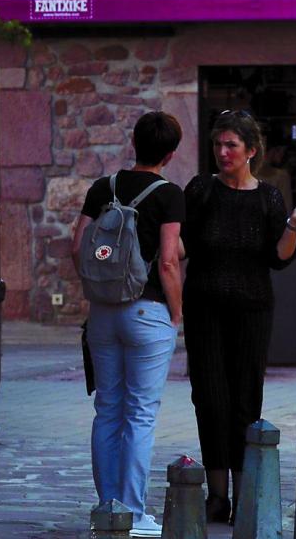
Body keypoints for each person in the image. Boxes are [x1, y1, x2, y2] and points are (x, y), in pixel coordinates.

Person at [182, 110, 296, 522]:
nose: (222, 152)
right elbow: (182, 245)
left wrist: (293, 224)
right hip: (205, 309)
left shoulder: (268, 197)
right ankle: (217, 496)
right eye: (218, 144)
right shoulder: (201, 190)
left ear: (251, 151)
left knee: (245, 398)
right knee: (210, 398)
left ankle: (245, 491)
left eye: (231, 145)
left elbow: (279, 258)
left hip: (251, 310)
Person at [74, 111, 187, 538]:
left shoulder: (103, 188)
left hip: (103, 312)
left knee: (107, 410)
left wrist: (97, 289)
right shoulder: (169, 194)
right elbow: (169, 260)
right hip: (147, 311)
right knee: (140, 414)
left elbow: (77, 245)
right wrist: (175, 313)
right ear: (170, 154)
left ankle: (107, 509)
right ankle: (135, 515)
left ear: (133, 143)